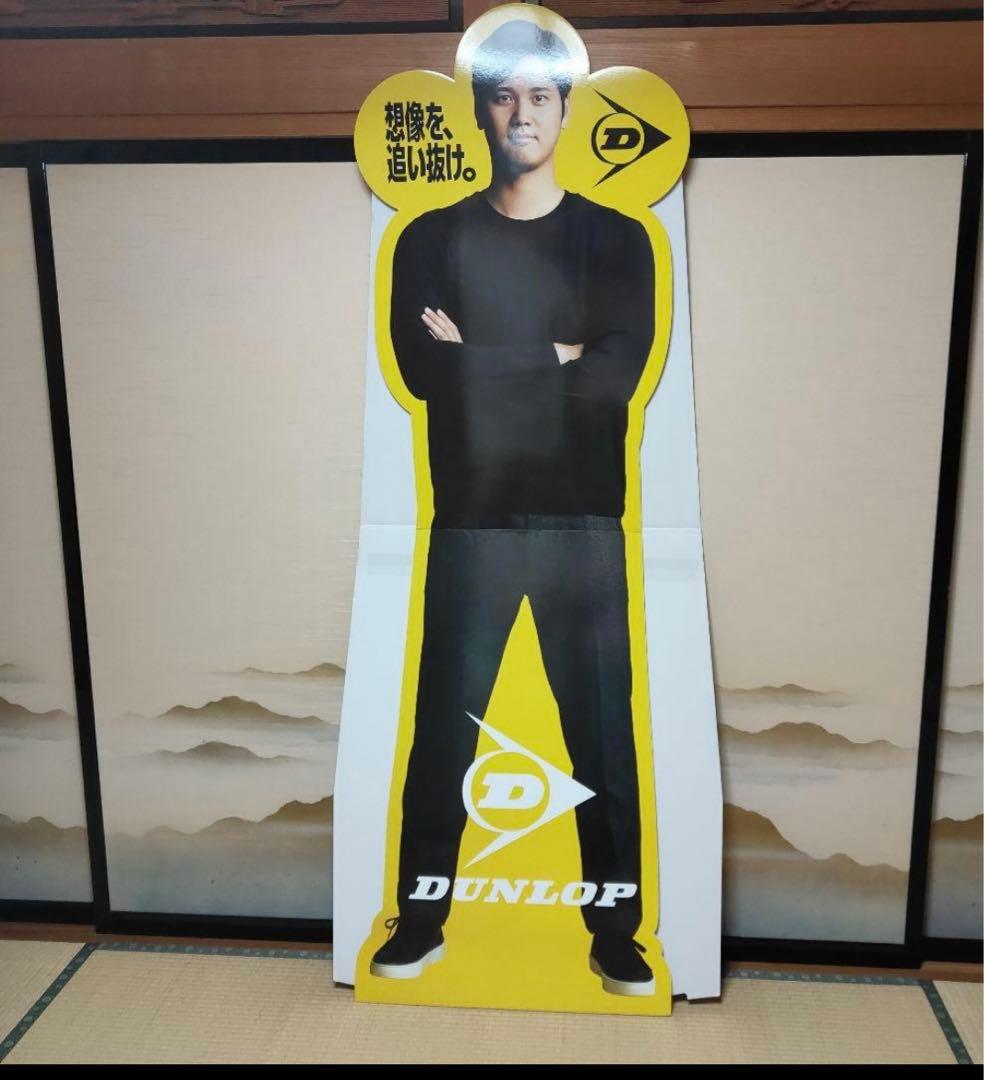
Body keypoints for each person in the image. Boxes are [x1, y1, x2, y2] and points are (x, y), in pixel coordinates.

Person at [369, 18, 658, 997]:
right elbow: (424, 375)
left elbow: (613, 379)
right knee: (445, 732)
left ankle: (617, 934)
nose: (521, 114)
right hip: (473, 518)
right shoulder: (430, 238)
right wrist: (554, 357)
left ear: (567, 109)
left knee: (602, 736)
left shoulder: (618, 238)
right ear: (481, 109)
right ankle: (419, 921)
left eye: (540, 96)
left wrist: (482, 362)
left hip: (586, 519)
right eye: (504, 96)